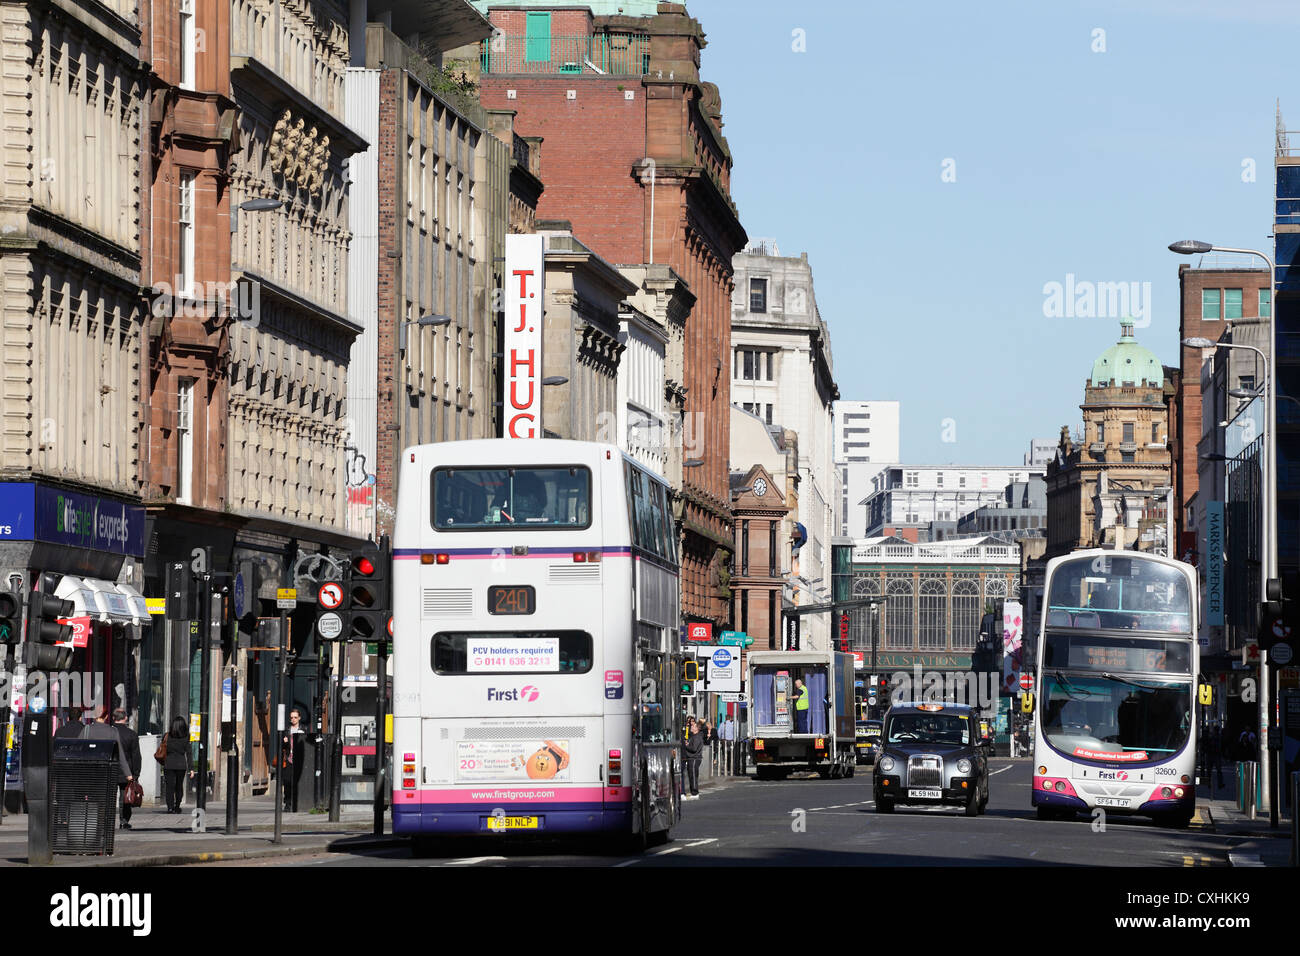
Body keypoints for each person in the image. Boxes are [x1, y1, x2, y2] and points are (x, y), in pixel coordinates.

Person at [82, 710, 133, 823]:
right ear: (106, 716)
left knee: (93, 798)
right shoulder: (112, 731)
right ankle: (106, 822)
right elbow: (119, 753)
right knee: (107, 799)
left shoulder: (86, 730)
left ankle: (94, 821)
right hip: (107, 771)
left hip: (90, 772)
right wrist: (128, 773)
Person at [112, 708, 142, 829]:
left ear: (114, 718)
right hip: (127, 770)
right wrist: (136, 773)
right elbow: (136, 756)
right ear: (125, 718)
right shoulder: (131, 734)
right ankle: (124, 820)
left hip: (111, 768)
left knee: (110, 796)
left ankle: (108, 820)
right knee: (125, 797)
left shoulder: (109, 732)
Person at [162, 715, 192, 814]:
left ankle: (170, 807)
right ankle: (177, 805)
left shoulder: (167, 736)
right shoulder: (186, 737)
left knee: (169, 787)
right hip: (181, 765)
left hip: (169, 764)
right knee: (179, 786)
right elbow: (189, 753)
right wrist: (191, 768)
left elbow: (163, 749)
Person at [281, 707, 307, 811]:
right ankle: (288, 803)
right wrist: (285, 742)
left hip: (300, 760)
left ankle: (296, 803)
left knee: (297, 782)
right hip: (289, 759)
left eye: (295, 717)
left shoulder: (303, 729)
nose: (293, 719)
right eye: (291, 717)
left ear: (299, 718)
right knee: (287, 782)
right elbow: (281, 746)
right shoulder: (287, 730)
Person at [682, 718, 704, 798]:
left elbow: (694, 748)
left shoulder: (697, 737)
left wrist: (687, 745)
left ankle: (695, 793)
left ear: (697, 729)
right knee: (691, 775)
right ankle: (693, 792)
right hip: (692, 758)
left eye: (693, 726)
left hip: (694, 758)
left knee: (693, 775)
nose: (691, 727)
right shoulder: (694, 736)